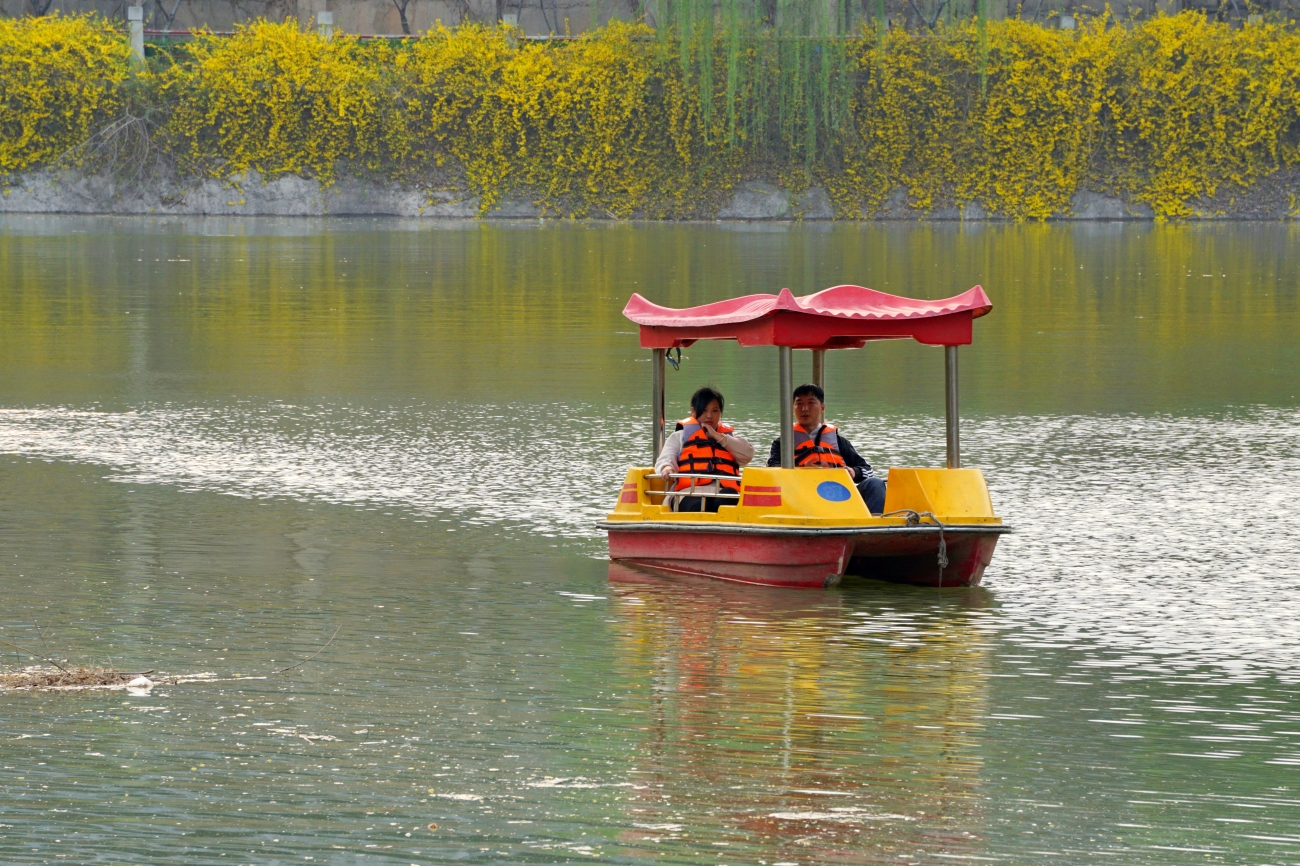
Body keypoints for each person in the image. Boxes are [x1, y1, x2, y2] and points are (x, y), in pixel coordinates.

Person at [767, 383, 887, 515]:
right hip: (801, 498)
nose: (805, 409)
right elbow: (772, 473)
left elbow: (868, 470)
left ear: (822, 408)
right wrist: (800, 469)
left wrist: (853, 472)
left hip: (838, 496)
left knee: (875, 483)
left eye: (811, 403)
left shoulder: (839, 441)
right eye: (799, 404)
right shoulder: (782, 443)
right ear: (793, 408)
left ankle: (874, 524)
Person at [655, 386, 755, 513]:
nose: (709, 416)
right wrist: (667, 467)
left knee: (729, 497)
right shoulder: (679, 436)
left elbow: (748, 455)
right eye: (704, 410)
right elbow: (666, 457)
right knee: (698, 505)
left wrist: (717, 436)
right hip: (689, 492)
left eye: (715, 411)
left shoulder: (729, 439)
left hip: (722, 491)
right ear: (693, 411)